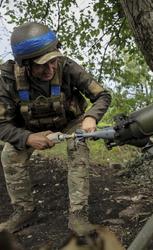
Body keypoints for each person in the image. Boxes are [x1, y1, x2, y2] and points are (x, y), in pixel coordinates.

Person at [0, 22, 111, 236]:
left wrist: (91, 117)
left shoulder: (67, 66)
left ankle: (78, 214)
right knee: (10, 155)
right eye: (42, 65)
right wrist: (28, 138)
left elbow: (102, 95)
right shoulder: (7, 79)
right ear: (25, 65)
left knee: (78, 147)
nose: (50, 69)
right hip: (30, 129)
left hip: (70, 123)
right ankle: (24, 210)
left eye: (53, 61)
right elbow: (2, 124)